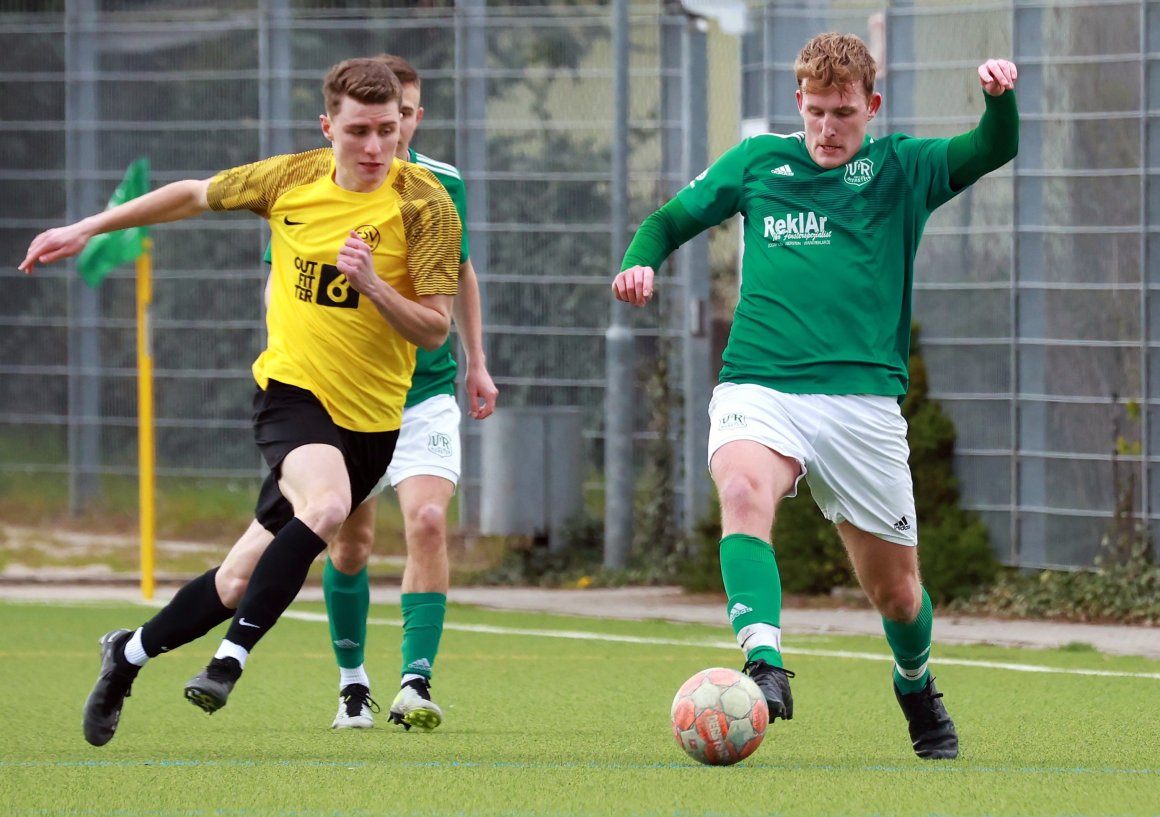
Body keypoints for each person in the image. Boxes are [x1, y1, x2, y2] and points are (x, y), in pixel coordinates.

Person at [19, 57, 462, 746]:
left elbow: (436, 325)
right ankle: (231, 659)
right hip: (292, 393)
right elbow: (193, 193)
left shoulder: (426, 205)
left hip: (374, 421)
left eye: (387, 129)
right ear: (328, 128)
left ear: (404, 124)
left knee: (234, 579)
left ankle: (127, 653)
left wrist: (375, 286)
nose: (375, 148)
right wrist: (90, 227)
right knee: (328, 508)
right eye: (358, 132)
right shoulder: (290, 178)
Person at [611, 33, 1018, 760]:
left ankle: (915, 682)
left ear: (872, 106)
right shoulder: (760, 163)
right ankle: (764, 663)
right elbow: (670, 220)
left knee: (898, 595)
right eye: (817, 113)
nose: (829, 130)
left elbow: (989, 151)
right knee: (740, 488)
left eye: (845, 113)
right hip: (760, 382)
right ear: (797, 102)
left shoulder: (900, 169)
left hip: (862, 404)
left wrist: (999, 101)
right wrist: (640, 263)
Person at [253, 53, 498, 731]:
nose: (392, 134)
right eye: (381, 120)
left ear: (413, 118)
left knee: (426, 520)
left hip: (424, 392)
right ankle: (352, 682)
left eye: (405, 117)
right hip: (344, 398)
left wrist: (477, 360)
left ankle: (415, 681)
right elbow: (282, 278)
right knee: (351, 541)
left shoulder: (441, 188)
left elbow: (461, 274)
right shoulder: (314, 181)